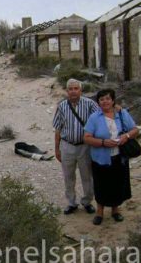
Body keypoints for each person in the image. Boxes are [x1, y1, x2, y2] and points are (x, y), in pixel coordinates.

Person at [84, 88, 139, 225]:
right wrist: (103, 142)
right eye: (102, 99)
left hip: (119, 157)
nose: (105, 101)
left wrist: (126, 136)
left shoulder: (122, 114)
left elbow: (135, 130)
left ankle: (115, 210)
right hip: (100, 158)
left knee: (117, 183)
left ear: (113, 100)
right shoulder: (94, 118)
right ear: (98, 102)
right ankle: (99, 212)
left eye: (108, 98)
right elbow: (86, 138)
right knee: (101, 184)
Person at [53, 79, 99, 215]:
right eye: (70, 89)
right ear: (67, 91)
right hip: (67, 146)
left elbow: (100, 119)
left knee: (87, 176)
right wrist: (57, 149)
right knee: (68, 176)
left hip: (85, 146)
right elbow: (57, 129)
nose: (73, 91)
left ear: (81, 90)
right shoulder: (62, 106)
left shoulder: (90, 104)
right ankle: (71, 203)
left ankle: (87, 202)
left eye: (76, 88)